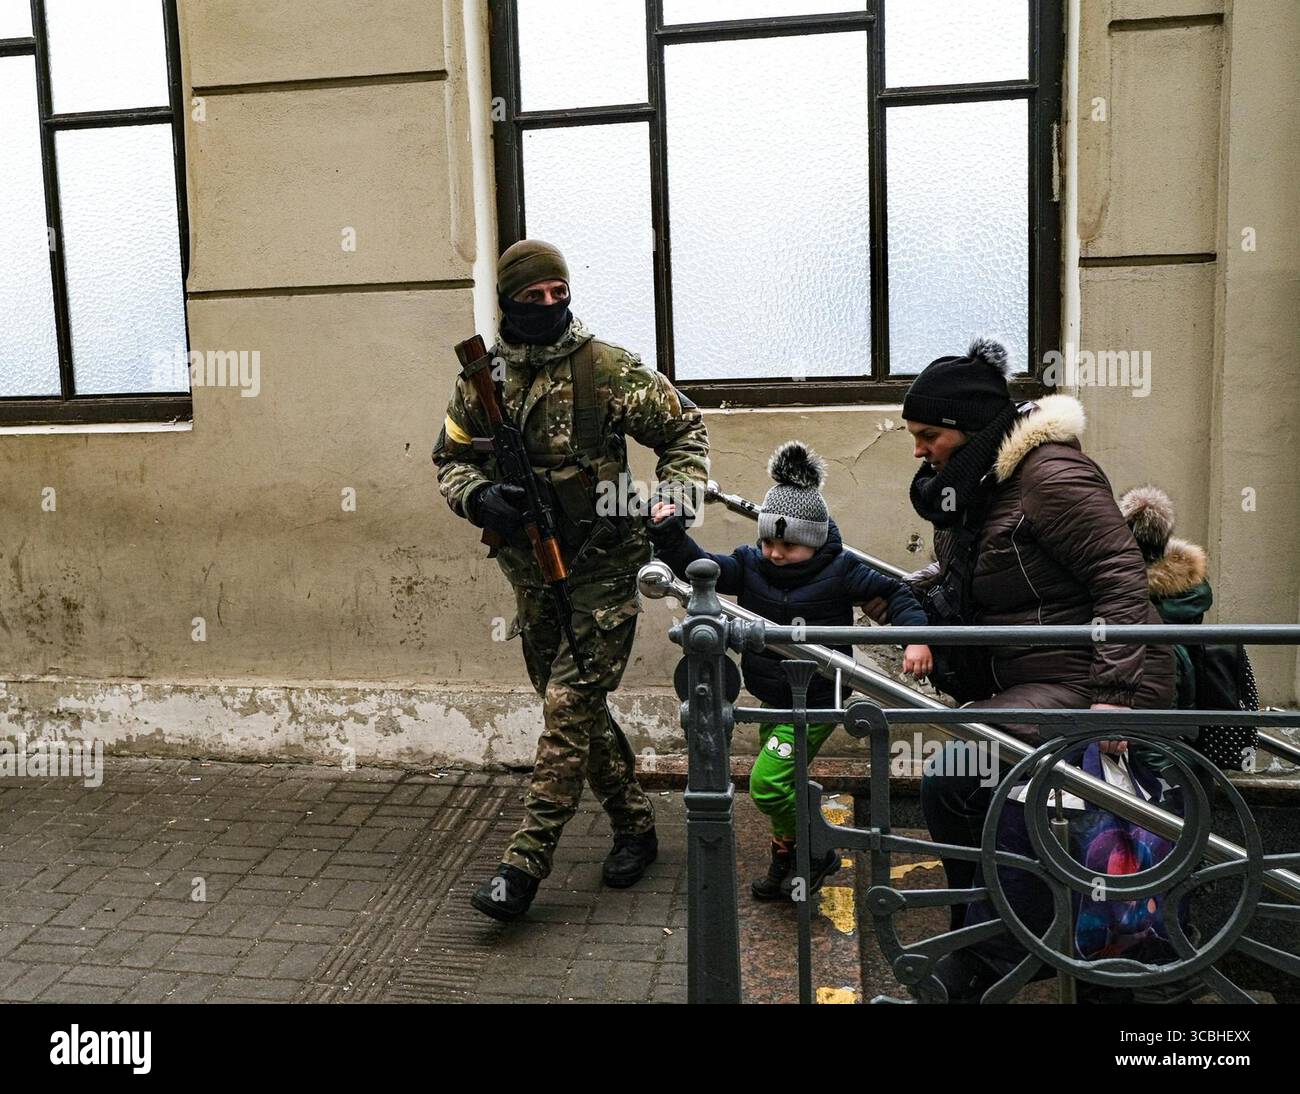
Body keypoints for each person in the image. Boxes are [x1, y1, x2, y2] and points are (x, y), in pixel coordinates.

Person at [888, 336, 1176, 999]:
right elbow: (979, 575)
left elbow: (1121, 580)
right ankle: (980, 933)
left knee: (985, 774)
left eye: (928, 434)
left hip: (1095, 676)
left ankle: (991, 958)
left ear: (968, 428)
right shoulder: (984, 486)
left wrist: (1112, 696)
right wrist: (903, 591)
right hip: (1045, 675)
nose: (918, 449)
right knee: (952, 785)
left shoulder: (1051, 476)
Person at [433, 239, 710, 921]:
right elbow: (450, 460)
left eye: (559, 293)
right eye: (534, 298)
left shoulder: (606, 368)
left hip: (604, 566)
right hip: (531, 571)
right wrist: (478, 498)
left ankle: (523, 866)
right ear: (508, 302)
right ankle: (636, 826)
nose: (550, 306)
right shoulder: (482, 380)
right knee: (574, 712)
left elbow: (685, 431)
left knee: (565, 708)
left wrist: (675, 499)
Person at [648, 440, 932, 900]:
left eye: (789, 545)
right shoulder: (750, 563)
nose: (776, 554)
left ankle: (817, 850)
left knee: (767, 785)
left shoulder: (842, 570)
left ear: (815, 541)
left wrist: (916, 638)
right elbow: (703, 570)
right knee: (785, 783)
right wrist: (670, 536)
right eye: (769, 541)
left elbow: (899, 593)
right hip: (773, 695)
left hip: (817, 698)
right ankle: (789, 854)